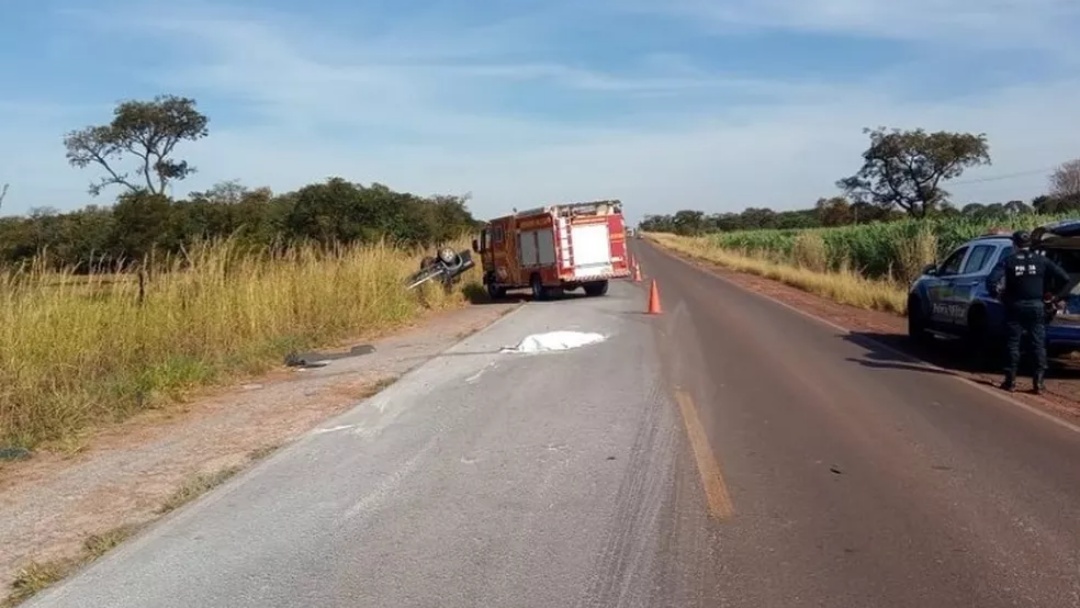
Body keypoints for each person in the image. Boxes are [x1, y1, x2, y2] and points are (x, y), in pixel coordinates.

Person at [986, 230, 1072, 393]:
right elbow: (1065, 278)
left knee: (1013, 344)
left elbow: (991, 281)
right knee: (1038, 345)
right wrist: (1054, 297)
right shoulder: (1042, 261)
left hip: (1014, 307)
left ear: (1015, 245)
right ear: (1029, 245)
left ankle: (1010, 381)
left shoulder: (1008, 261)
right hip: (1036, 307)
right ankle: (1038, 384)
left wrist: (999, 296)